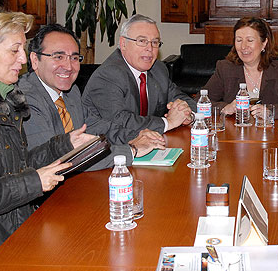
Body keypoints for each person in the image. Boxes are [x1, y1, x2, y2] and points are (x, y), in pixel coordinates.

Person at [0, 5, 94, 271]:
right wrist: (33, 183)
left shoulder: (3, 100)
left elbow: (12, 168)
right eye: (14, 50)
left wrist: (63, 144)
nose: (23, 58)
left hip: (12, 234)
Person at [18, 24, 172, 168]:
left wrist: (139, 136)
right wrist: (132, 150)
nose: (68, 66)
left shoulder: (71, 92)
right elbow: (58, 160)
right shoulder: (25, 99)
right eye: (58, 57)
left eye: (74, 58)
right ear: (34, 60)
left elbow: (98, 126)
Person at [82, 14, 196, 135]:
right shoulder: (109, 75)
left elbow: (182, 98)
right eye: (142, 41)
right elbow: (119, 121)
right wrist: (168, 122)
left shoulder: (158, 68)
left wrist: (188, 114)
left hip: (148, 143)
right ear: (123, 43)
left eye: (155, 42)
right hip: (109, 147)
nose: (149, 48)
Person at [204, 17, 278, 119]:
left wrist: (270, 112)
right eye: (239, 40)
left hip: (270, 133)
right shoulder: (225, 68)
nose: (243, 46)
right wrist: (225, 108)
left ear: (264, 43)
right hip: (235, 133)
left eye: (250, 40)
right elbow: (200, 101)